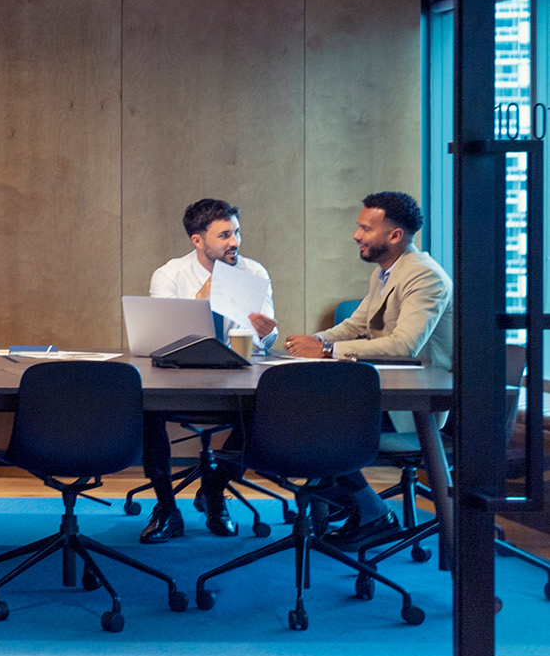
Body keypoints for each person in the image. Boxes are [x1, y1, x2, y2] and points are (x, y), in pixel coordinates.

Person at [270, 190, 453, 549]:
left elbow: (404, 345)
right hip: (384, 391)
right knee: (302, 411)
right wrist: (313, 340)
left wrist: (326, 351)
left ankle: (370, 512)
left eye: (365, 228)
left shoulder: (424, 276)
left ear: (395, 235)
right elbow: (355, 326)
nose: (356, 235)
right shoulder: (386, 273)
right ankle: (343, 498)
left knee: (313, 422)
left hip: (415, 405)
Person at [139, 198, 278, 543]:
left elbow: (263, 340)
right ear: (197, 240)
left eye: (237, 233)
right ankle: (166, 508)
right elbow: (164, 336)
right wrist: (211, 290)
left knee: (266, 408)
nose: (235, 242)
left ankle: (214, 489)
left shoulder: (253, 273)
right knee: (144, 407)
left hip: (234, 379)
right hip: (176, 379)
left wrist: (266, 332)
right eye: (224, 235)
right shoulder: (169, 275)